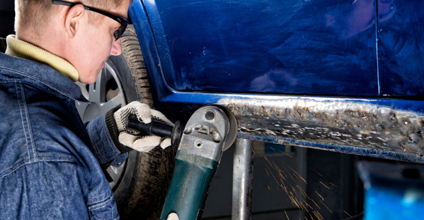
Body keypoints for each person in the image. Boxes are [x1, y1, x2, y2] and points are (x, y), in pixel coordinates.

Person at [0, 0, 173, 219]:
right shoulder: (43, 159)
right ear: (74, 21)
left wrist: (109, 134)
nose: (118, 49)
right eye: (116, 29)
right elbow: (45, 164)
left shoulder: (17, 105)